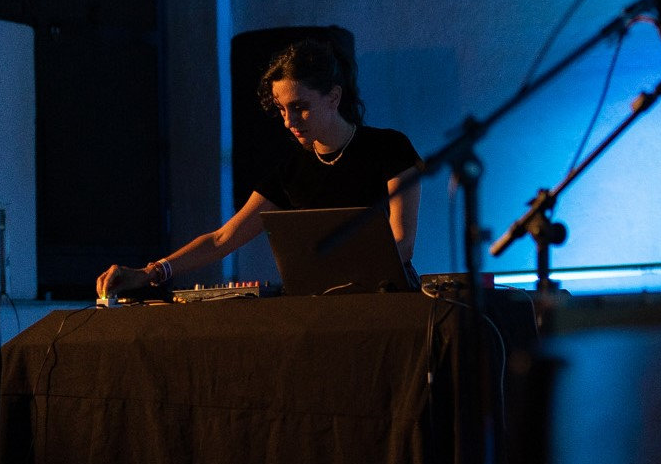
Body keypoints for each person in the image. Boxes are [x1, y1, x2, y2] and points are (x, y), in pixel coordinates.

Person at [96, 37, 423, 298]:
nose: (289, 121)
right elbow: (222, 239)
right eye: (281, 109)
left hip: (385, 300)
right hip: (321, 303)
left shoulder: (389, 148)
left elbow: (402, 244)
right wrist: (151, 272)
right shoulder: (291, 171)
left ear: (333, 98)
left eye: (300, 107)